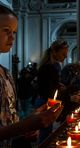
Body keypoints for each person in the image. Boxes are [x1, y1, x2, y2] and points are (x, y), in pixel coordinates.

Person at [0, 4, 63, 147]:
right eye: (6, 30)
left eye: (14, 32)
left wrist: (28, 123)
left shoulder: (6, 73)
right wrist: (23, 127)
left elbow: (9, 119)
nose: (12, 37)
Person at [34, 39, 69, 143]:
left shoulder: (53, 67)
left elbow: (50, 85)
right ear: (54, 52)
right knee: (45, 135)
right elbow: (48, 90)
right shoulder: (49, 68)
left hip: (47, 101)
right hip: (46, 102)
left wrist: (58, 85)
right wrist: (68, 96)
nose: (66, 56)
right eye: (63, 53)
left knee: (47, 132)